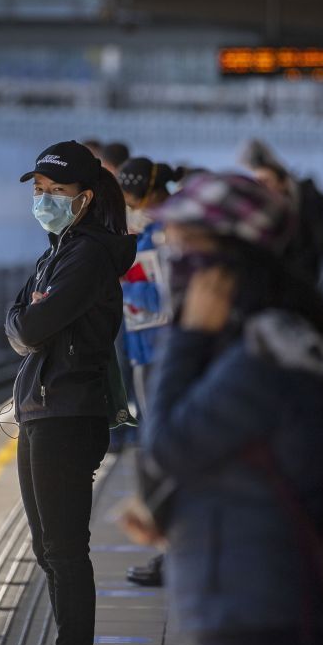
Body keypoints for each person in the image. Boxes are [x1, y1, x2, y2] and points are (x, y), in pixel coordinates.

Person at [142, 171, 323, 645]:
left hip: (262, 605)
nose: (171, 258)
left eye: (185, 246)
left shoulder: (266, 351)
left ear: (229, 259)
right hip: (254, 595)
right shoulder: (253, 340)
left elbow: (166, 445)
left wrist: (183, 336)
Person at [0, 140, 137, 645]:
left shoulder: (87, 256)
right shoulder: (58, 252)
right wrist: (24, 320)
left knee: (64, 549)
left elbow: (28, 327)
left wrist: (25, 320)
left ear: (84, 199)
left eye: (55, 193)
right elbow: (19, 319)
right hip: (43, 410)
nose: (44, 201)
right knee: (49, 549)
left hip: (67, 413)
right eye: (39, 191)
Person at [116, 156, 184, 588]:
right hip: (148, 352)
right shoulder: (152, 232)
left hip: (162, 353)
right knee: (156, 451)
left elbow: (159, 297)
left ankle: (173, 553)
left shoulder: (167, 234)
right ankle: (170, 552)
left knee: (163, 455)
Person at [243, 141, 323, 286]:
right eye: (256, 182)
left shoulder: (305, 202)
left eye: (266, 181)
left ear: (282, 183)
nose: (260, 187)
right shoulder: (268, 207)